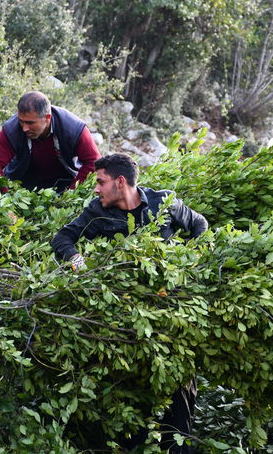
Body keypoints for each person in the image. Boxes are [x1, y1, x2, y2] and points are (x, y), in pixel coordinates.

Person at [51, 153, 207, 453]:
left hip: (175, 321)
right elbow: (63, 238)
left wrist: (189, 262)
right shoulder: (97, 212)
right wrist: (77, 261)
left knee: (179, 414)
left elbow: (200, 224)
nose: (95, 189)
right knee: (130, 420)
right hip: (127, 326)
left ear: (120, 182)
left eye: (100, 182)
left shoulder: (164, 203)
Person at [0, 91, 101, 192]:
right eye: (21, 121)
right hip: (22, 186)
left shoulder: (73, 128)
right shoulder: (11, 129)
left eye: (30, 123)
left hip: (64, 182)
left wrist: (72, 193)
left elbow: (94, 162)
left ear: (47, 118)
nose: (24, 128)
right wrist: (6, 199)